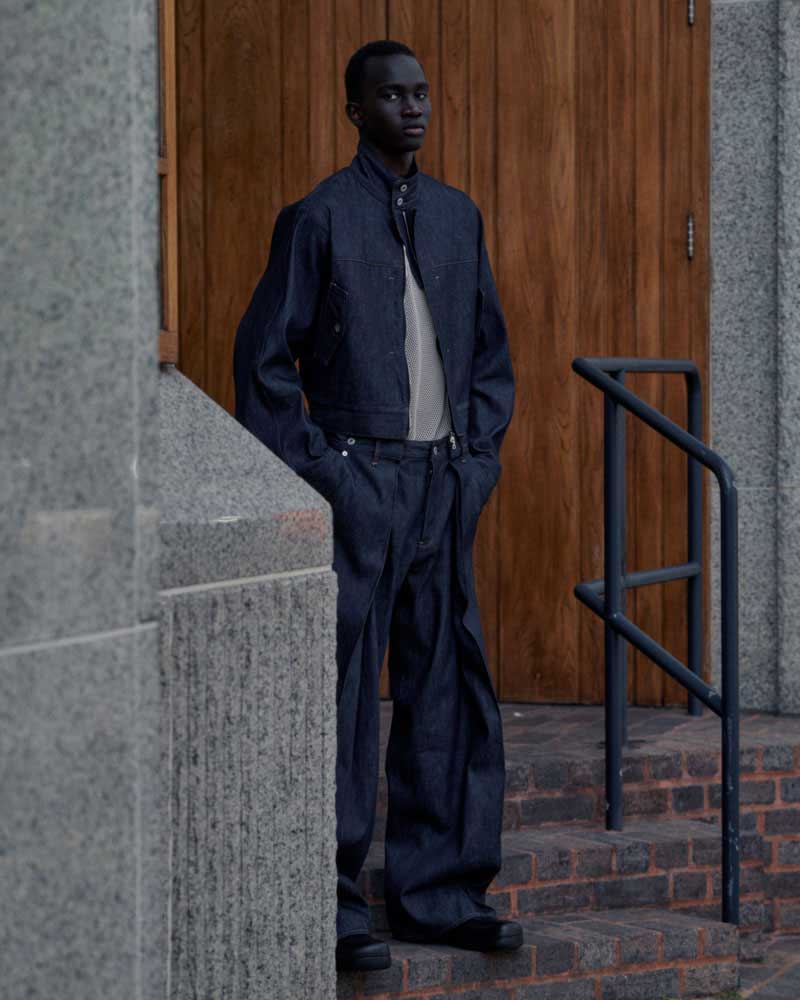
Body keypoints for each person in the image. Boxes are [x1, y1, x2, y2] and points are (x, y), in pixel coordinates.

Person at [233, 39, 519, 973]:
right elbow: (265, 368)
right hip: (362, 483)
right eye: (392, 96)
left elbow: (488, 361)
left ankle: (442, 895)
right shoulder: (317, 217)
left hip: (442, 483)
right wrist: (330, 474)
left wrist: (475, 462)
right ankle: (335, 900)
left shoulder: (456, 217)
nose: (414, 109)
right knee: (349, 695)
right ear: (354, 110)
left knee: (446, 688)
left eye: (422, 94)